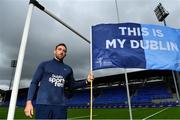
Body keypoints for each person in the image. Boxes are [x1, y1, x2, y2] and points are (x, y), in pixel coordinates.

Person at [24, 43, 94, 119]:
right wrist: (29, 101)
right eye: (59, 49)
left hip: (60, 107)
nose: (61, 52)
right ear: (55, 51)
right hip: (43, 105)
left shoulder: (68, 69)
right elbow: (34, 82)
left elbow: (72, 85)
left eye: (64, 51)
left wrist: (86, 81)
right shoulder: (44, 65)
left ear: (65, 54)